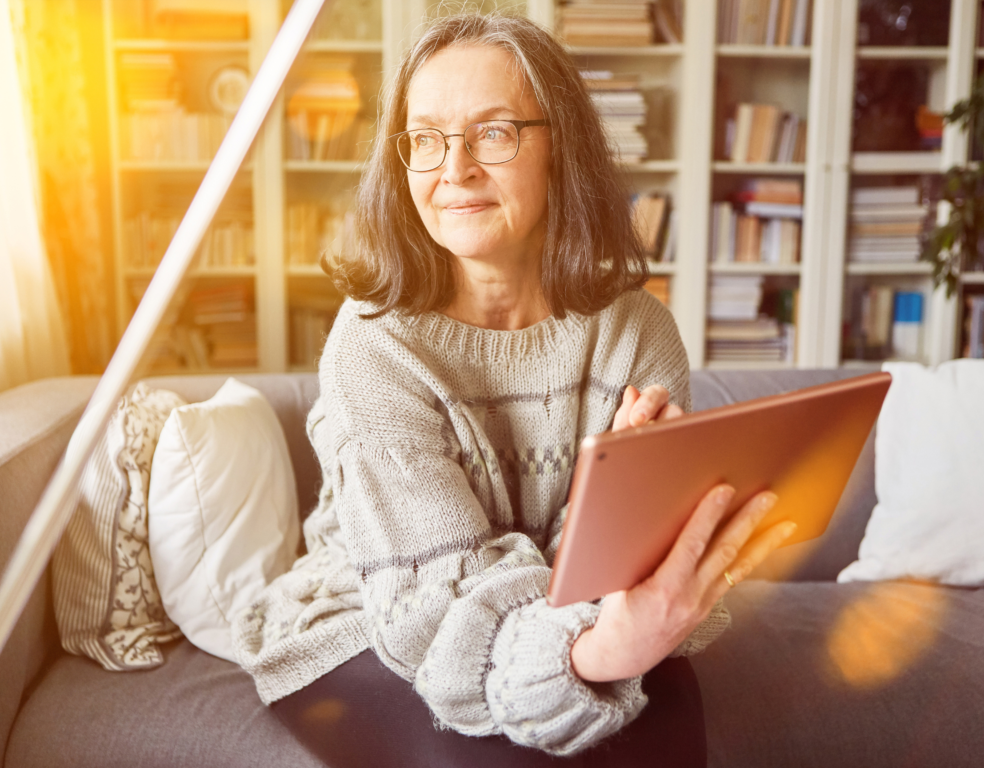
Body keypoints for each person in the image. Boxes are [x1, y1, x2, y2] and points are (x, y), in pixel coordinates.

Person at [232, 12, 795, 767]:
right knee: (504, 755)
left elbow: (633, 576)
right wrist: (597, 642)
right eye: (425, 138)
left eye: (494, 133)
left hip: (553, 611)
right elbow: (436, 611)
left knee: (669, 723)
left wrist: (618, 537)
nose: (454, 169)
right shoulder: (373, 343)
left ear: (560, 147)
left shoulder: (636, 331)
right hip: (375, 617)